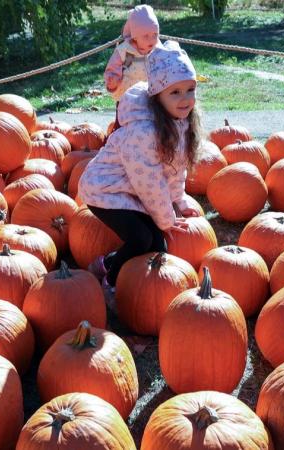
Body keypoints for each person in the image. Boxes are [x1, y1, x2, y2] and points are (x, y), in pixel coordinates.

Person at [80, 41, 203, 289]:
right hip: (104, 190)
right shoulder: (144, 131)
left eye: (190, 89)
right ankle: (110, 282)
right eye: (175, 92)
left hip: (129, 190)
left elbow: (176, 165)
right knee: (140, 238)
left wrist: (179, 198)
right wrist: (167, 218)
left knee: (158, 247)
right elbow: (150, 183)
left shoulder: (182, 122)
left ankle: (106, 263)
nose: (185, 99)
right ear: (158, 97)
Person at [104, 5, 162, 107]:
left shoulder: (157, 50)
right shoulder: (127, 51)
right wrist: (112, 79)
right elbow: (114, 68)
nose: (151, 40)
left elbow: (167, 65)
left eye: (155, 34)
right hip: (127, 97)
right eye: (146, 36)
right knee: (123, 120)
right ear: (135, 37)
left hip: (151, 96)